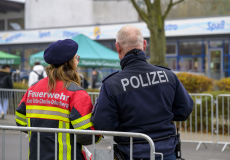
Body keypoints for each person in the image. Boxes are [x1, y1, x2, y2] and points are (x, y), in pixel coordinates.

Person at [92, 26, 193, 160]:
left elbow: (103, 124)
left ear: (118, 47)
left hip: (131, 154)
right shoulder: (168, 76)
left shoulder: (112, 84)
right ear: (144, 44)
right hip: (167, 153)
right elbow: (184, 110)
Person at [15, 39, 101, 160]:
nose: (77, 62)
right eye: (77, 58)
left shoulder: (33, 89)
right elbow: (87, 136)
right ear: (68, 63)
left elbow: (20, 121)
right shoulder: (77, 93)